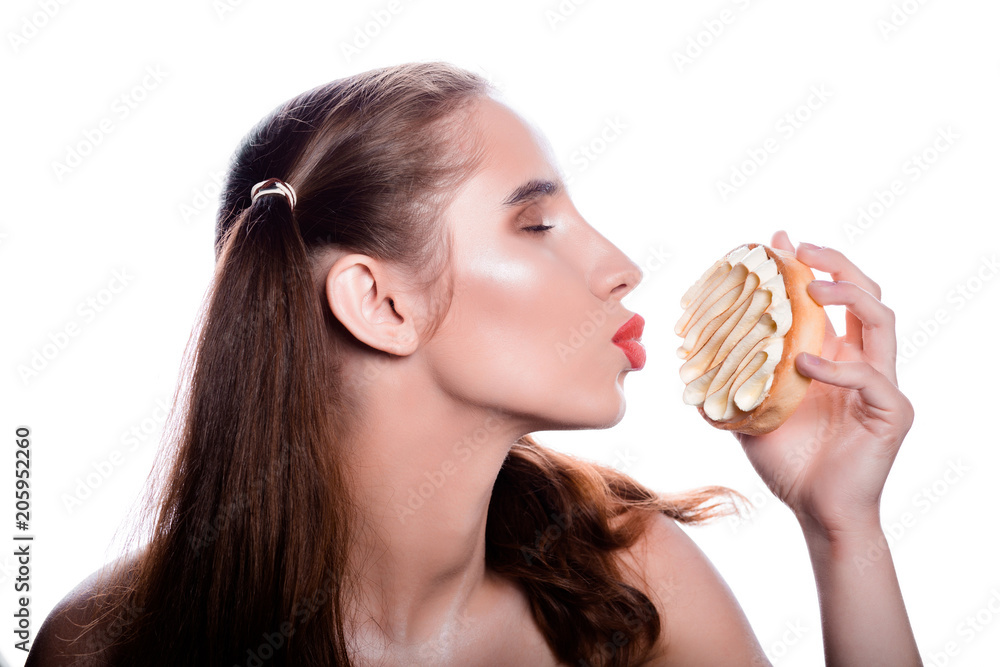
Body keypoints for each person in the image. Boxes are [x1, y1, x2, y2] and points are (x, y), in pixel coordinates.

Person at [26, 61, 920, 666]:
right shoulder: (105, 644)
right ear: (379, 302)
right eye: (536, 226)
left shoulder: (625, 574)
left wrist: (843, 528)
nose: (619, 265)